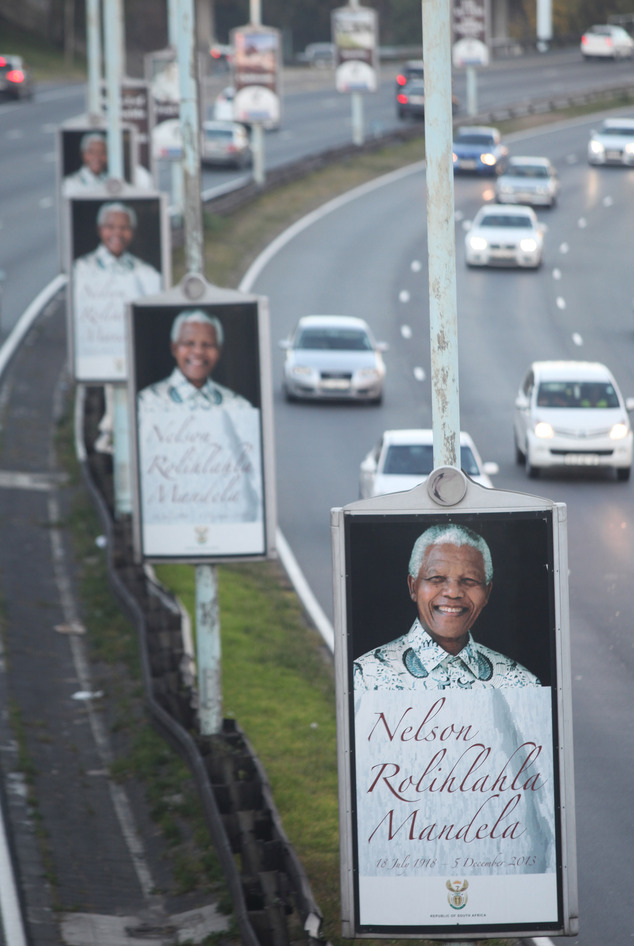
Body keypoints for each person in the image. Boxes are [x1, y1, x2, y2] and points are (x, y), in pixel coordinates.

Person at [354, 523, 540, 692]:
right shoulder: (365, 678)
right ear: (413, 587)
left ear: (487, 592)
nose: (453, 592)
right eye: (436, 579)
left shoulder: (520, 683)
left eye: (469, 580)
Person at [137, 310, 252, 410]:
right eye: (189, 343)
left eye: (207, 344)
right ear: (174, 348)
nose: (198, 351)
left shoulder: (238, 406)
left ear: (219, 351)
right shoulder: (146, 403)